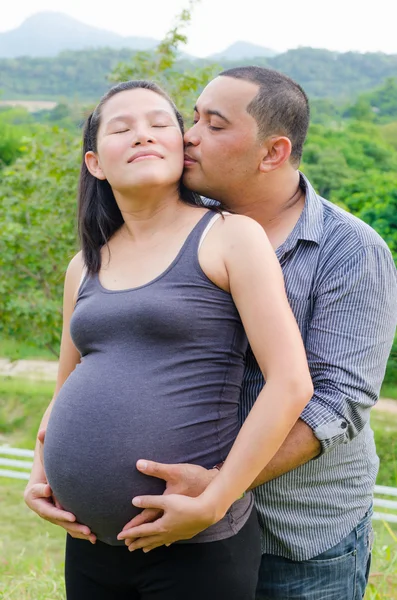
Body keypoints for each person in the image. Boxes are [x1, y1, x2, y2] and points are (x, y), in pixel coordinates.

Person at [24, 79, 313, 600]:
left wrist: (215, 498)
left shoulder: (229, 235)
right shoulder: (82, 266)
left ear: (182, 149)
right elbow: (64, 390)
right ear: (95, 163)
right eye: (123, 127)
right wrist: (40, 471)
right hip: (90, 544)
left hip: (196, 545)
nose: (143, 135)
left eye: (161, 124)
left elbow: (291, 383)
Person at [115, 68, 397, 600]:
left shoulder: (350, 251)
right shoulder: (175, 226)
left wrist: (221, 484)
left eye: (214, 125)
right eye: (192, 117)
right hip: (187, 534)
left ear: (273, 153)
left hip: (295, 538)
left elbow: (339, 401)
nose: (189, 135)